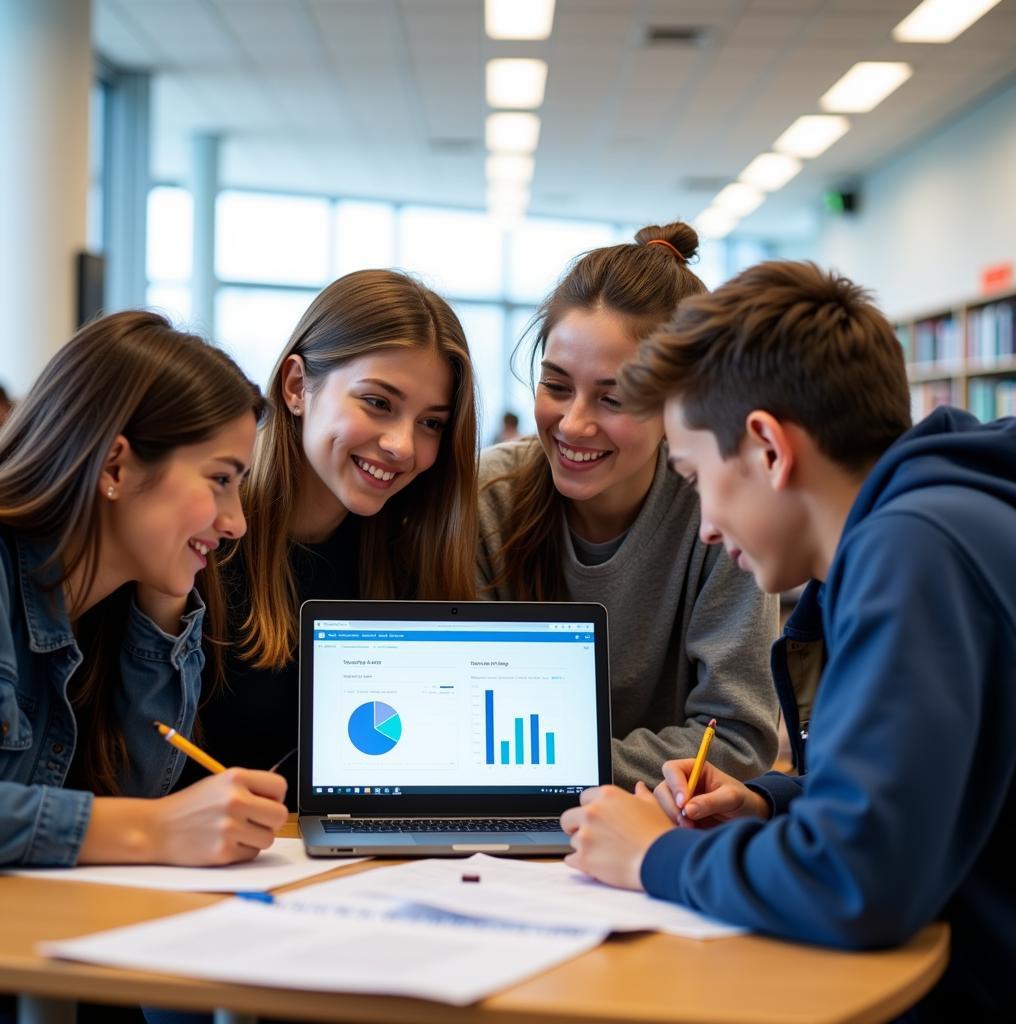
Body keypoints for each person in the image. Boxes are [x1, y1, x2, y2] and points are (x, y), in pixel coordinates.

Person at [559, 260, 1016, 1021]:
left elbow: (856, 882)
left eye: (695, 474)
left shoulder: (913, 552)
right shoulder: (936, 526)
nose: (706, 524)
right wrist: (770, 804)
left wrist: (654, 856)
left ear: (769, 448)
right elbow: (927, 792)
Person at [477, 223, 780, 789]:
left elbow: (739, 741)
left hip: (655, 834)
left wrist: (541, 769)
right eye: (557, 386)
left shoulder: (718, 517)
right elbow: (461, 728)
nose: (572, 424)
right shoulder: (486, 499)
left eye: (612, 398)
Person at [178, 269, 478, 805]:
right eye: (378, 402)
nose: (403, 446)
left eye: (431, 423)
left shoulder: (410, 554)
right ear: (297, 386)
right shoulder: (203, 542)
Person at [0, 310, 287, 869]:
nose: (237, 523)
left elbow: (134, 788)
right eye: (221, 480)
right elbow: (143, 821)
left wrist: (163, 601)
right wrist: (155, 830)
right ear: (115, 466)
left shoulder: (116, 605)